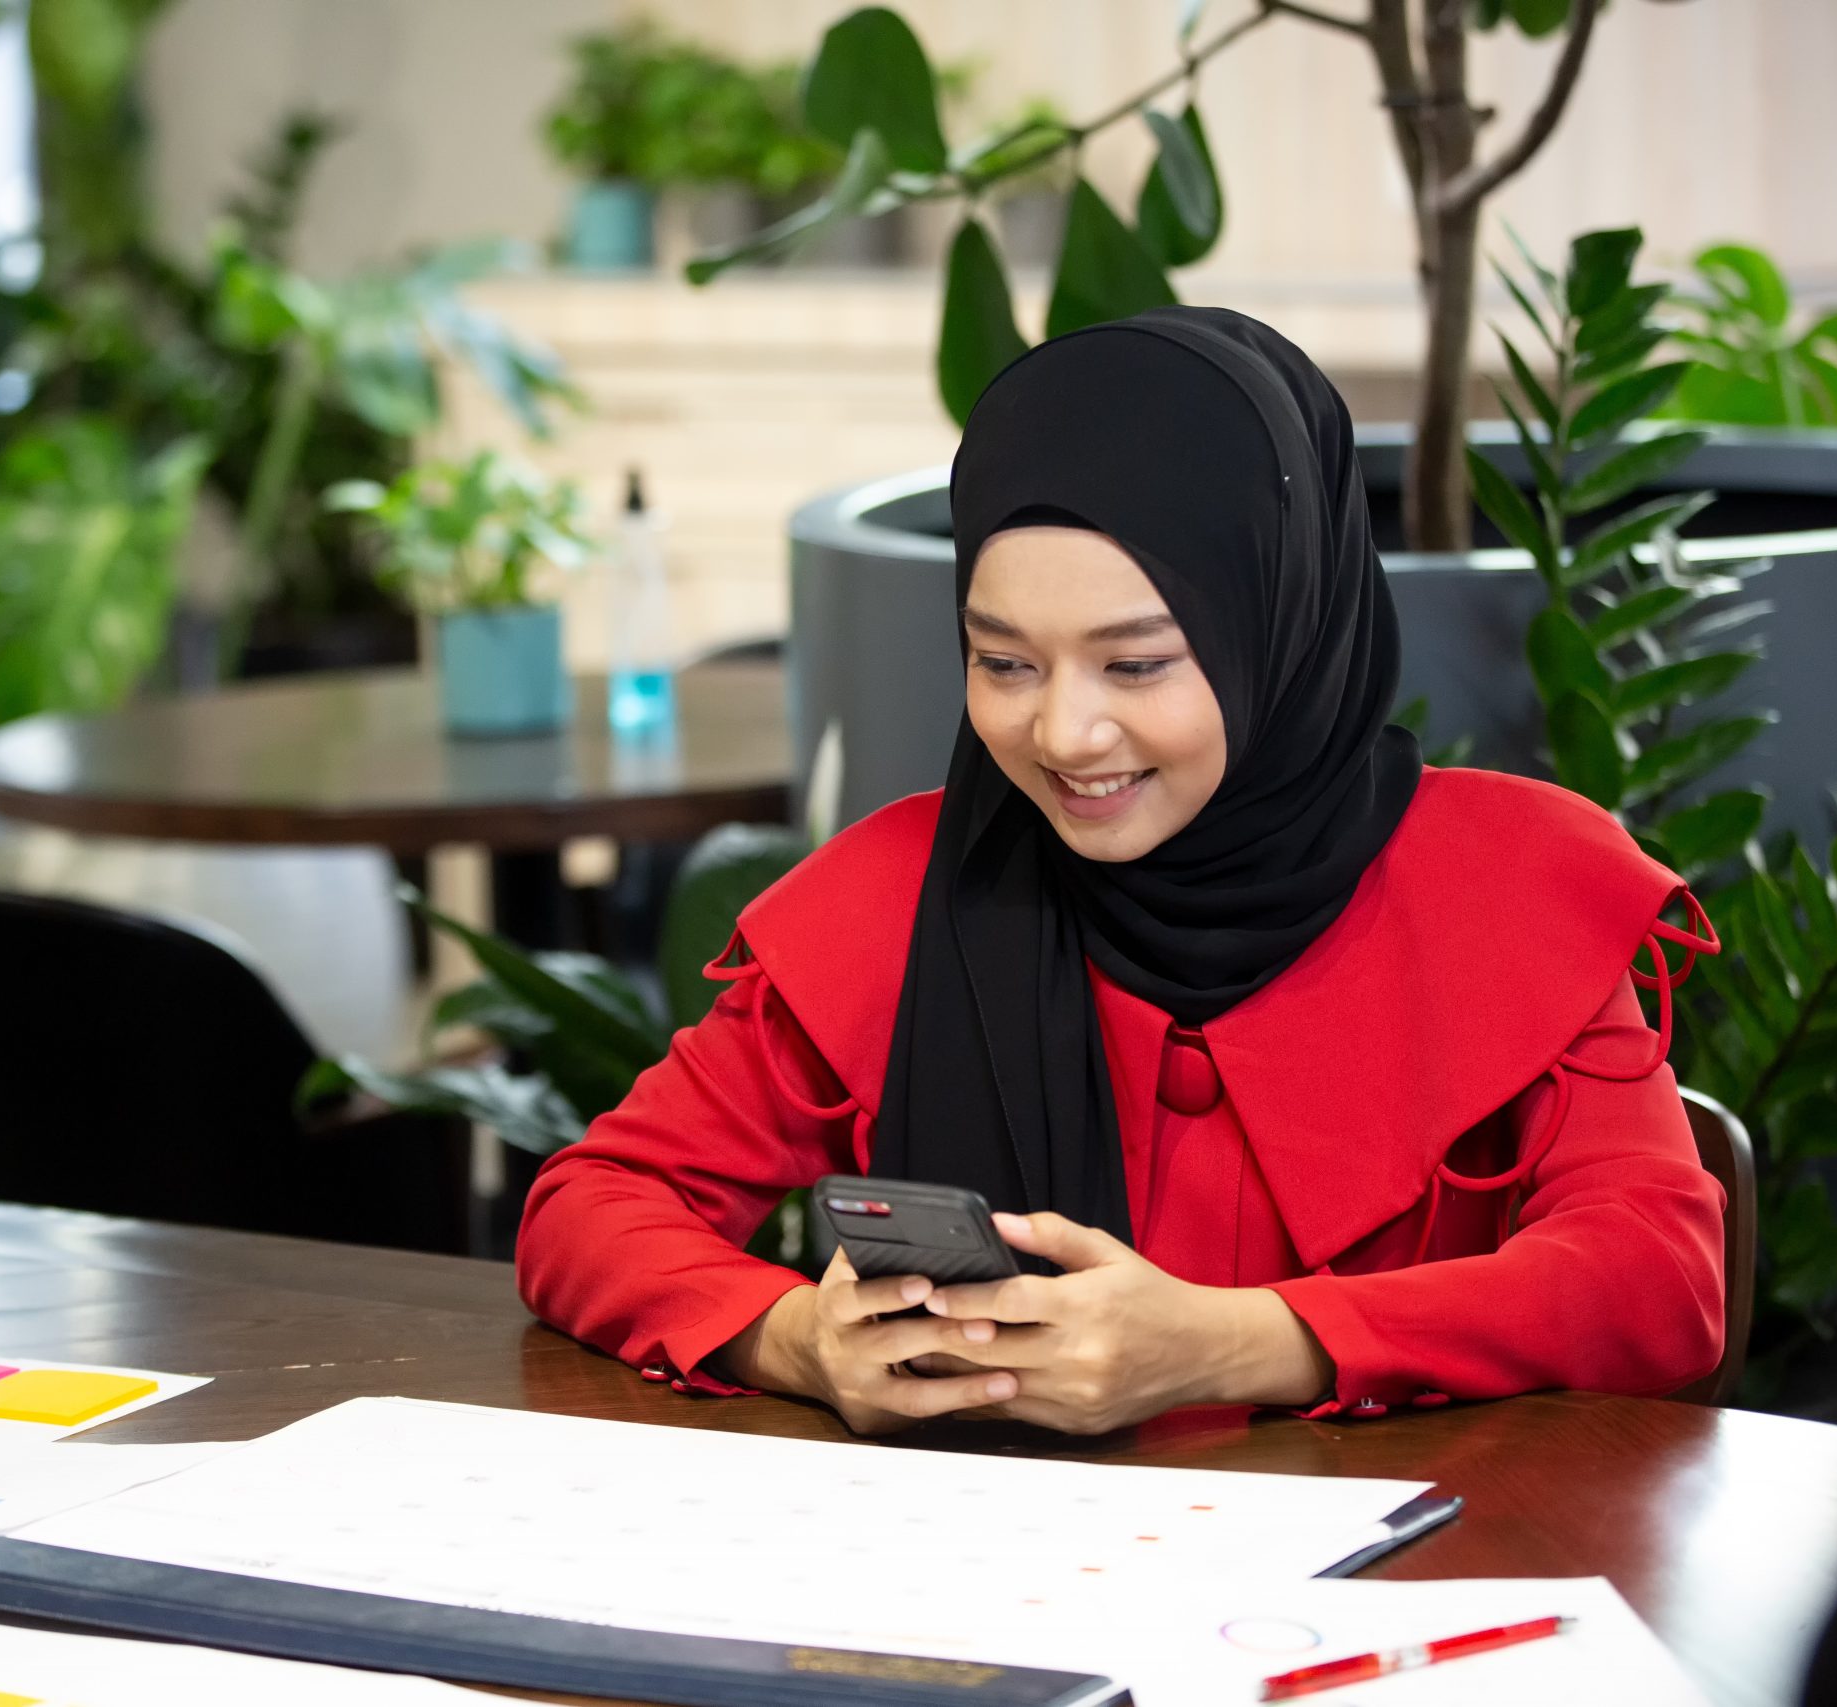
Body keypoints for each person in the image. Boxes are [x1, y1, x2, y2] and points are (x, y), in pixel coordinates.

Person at [518, 306, 1727, 1436]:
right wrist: (801, 1341)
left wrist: (1243, 1344)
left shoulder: (1505, 888)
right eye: (1003, 663)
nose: (1063, 736)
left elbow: (1654, 1276)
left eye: (1136, 665)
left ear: (1282, 630)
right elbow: (594, 1205)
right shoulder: (898, 896)